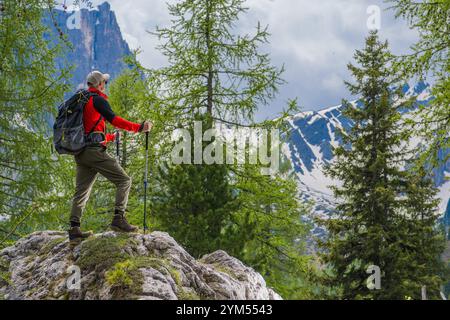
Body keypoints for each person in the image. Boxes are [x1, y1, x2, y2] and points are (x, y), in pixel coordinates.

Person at [68, 71, 152, 242]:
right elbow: (114, 120)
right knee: (124, 180)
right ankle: (118, 219)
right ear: (100, 84)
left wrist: (110, 138)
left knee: (81, 191)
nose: (105, 84)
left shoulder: (81, 101)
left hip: (81, 152)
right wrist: (139, 127)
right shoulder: (97, 100)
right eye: (104, 82)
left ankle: (74, 229)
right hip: (93, 152)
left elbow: (89, 132)